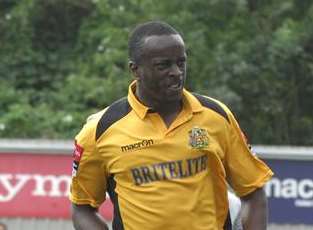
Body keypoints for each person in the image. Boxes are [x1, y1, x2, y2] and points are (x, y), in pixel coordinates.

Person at [70, 21, 273, 230]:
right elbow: (82, 208)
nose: (176, 72)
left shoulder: (216, 116)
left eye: (181, 62)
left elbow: (254, 194)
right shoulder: (100, 130)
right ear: (135, 70)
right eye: (163, 65)